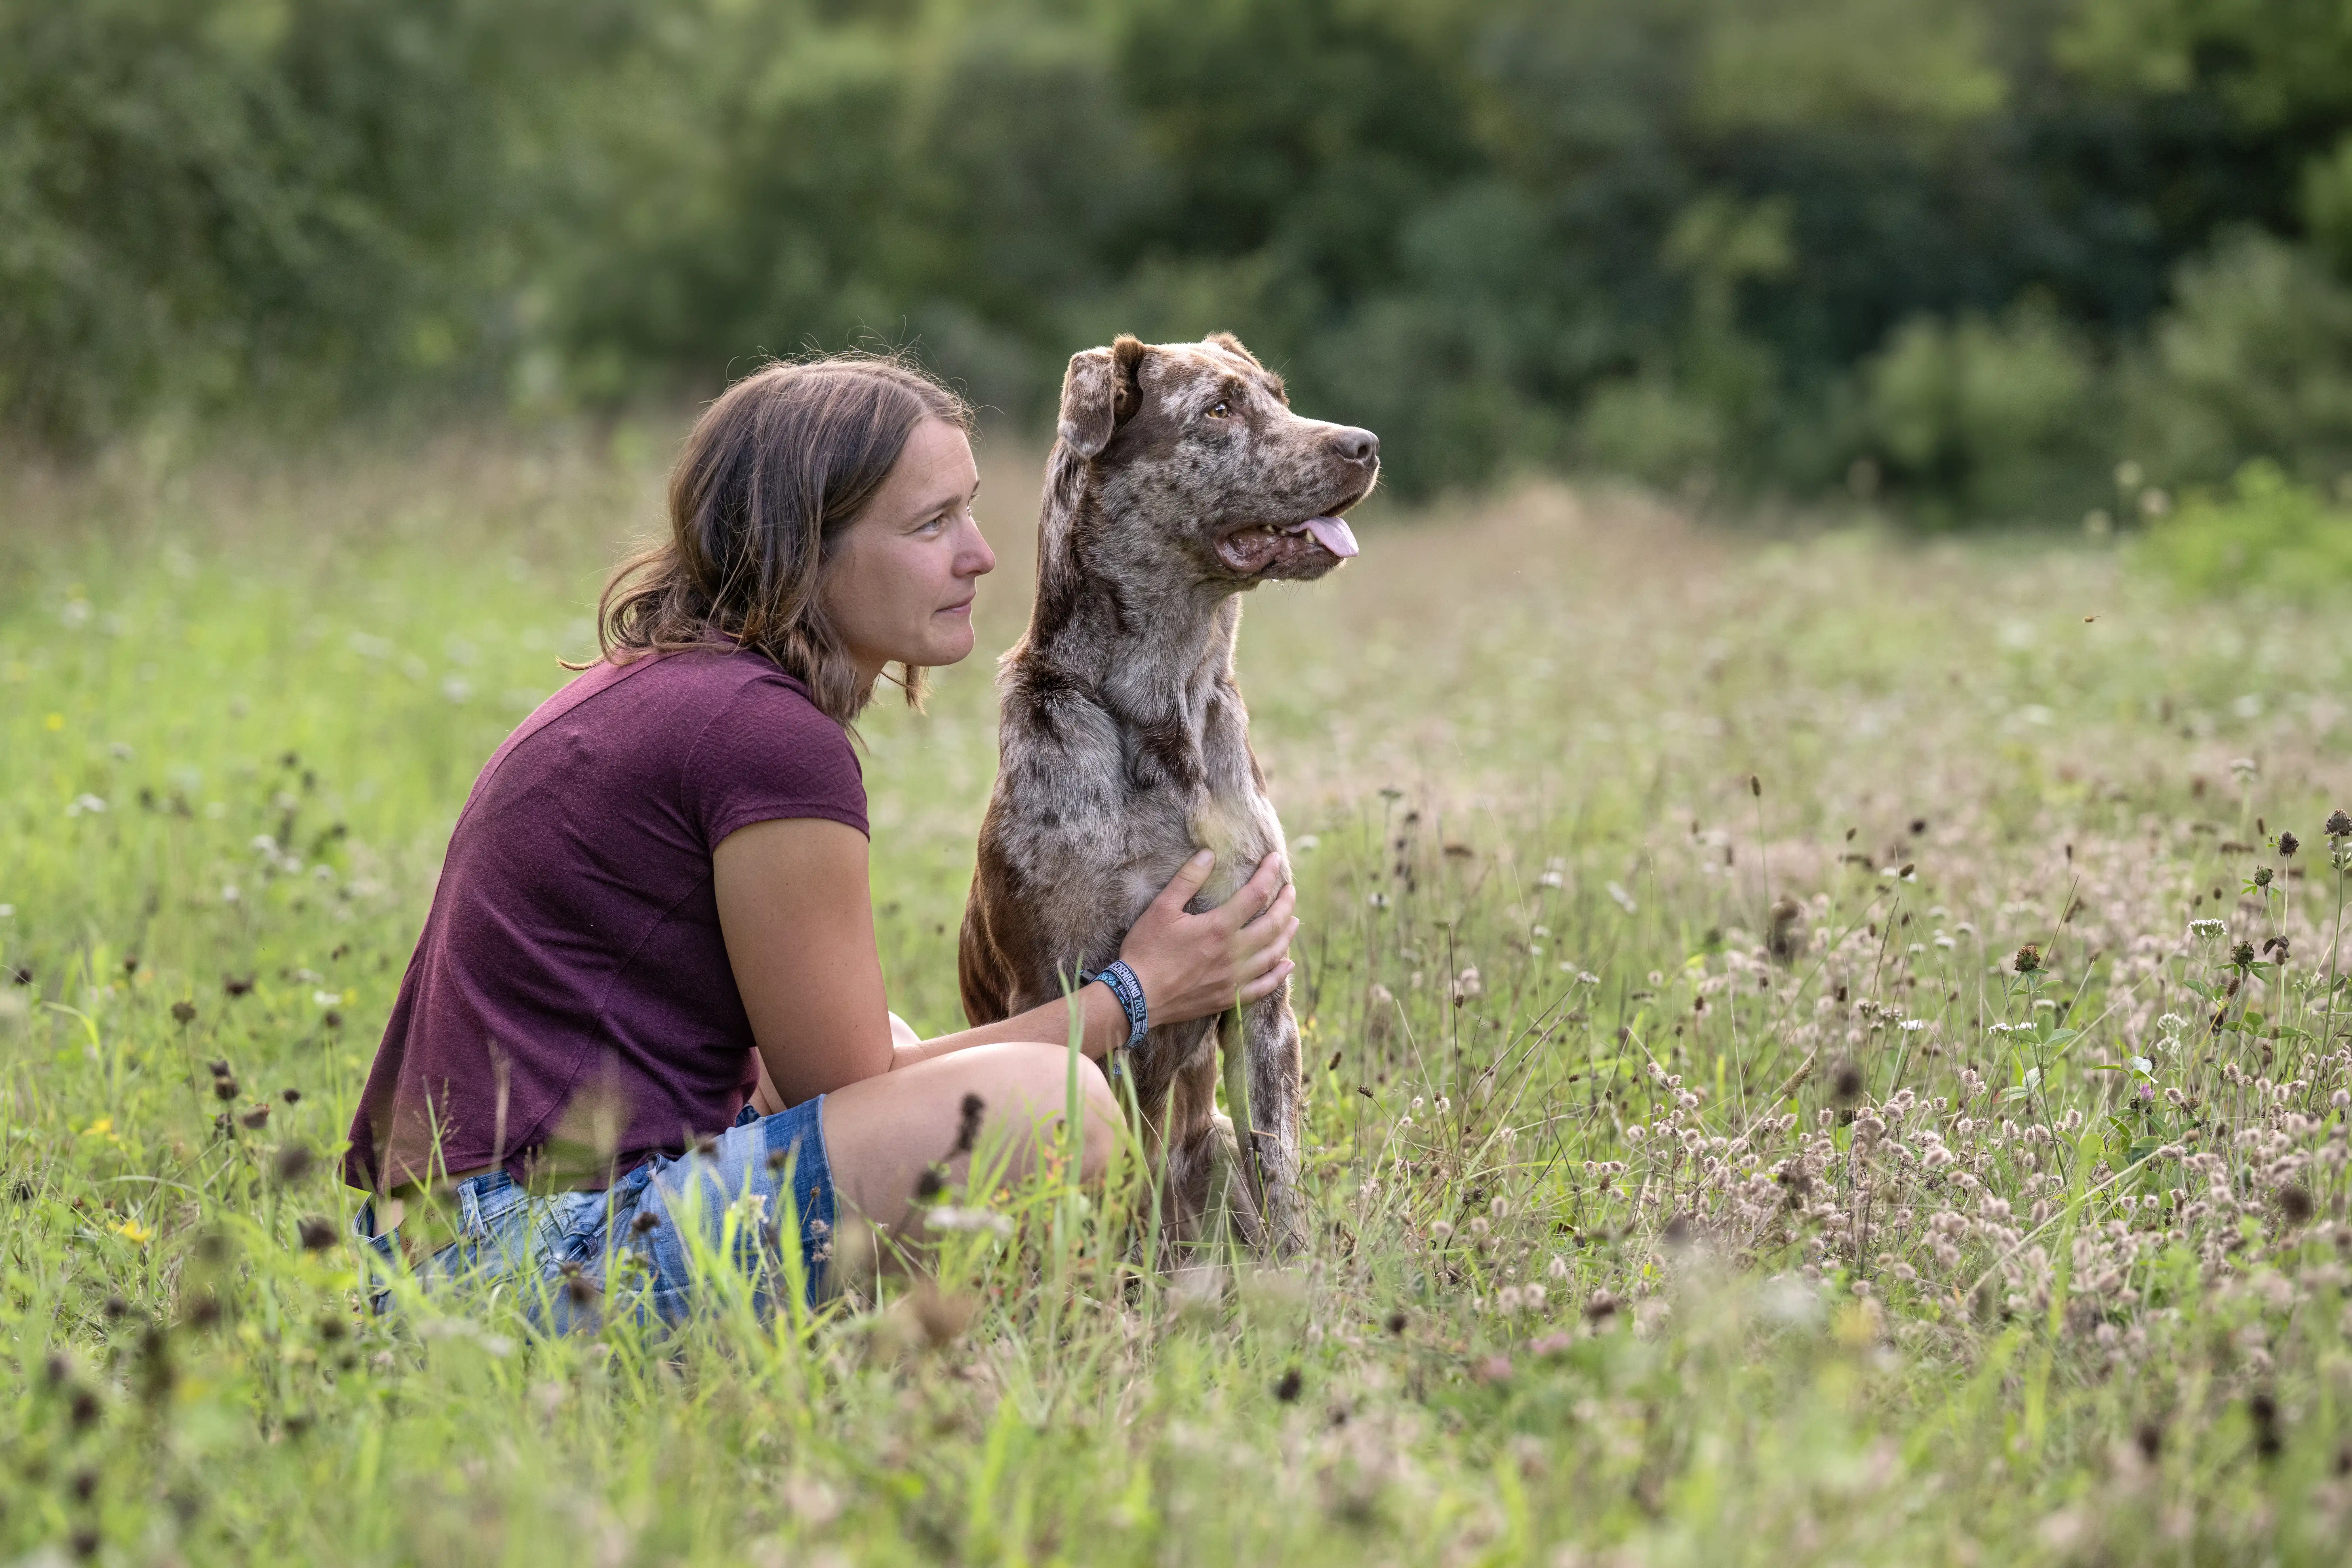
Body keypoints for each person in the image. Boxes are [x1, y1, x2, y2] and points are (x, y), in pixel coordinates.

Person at [343, 355, 1298, 1321]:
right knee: (1052, 1109)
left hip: (437, 1252)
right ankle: (1011, 1332)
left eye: (969, 511)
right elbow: (844, 1088)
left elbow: (807, 1070)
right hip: (528, 1266)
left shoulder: (674, 692)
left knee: (895, 1043)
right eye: (931, 525)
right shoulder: (763, 739)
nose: (980, 556)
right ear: (806, 547)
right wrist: (1137, 995)